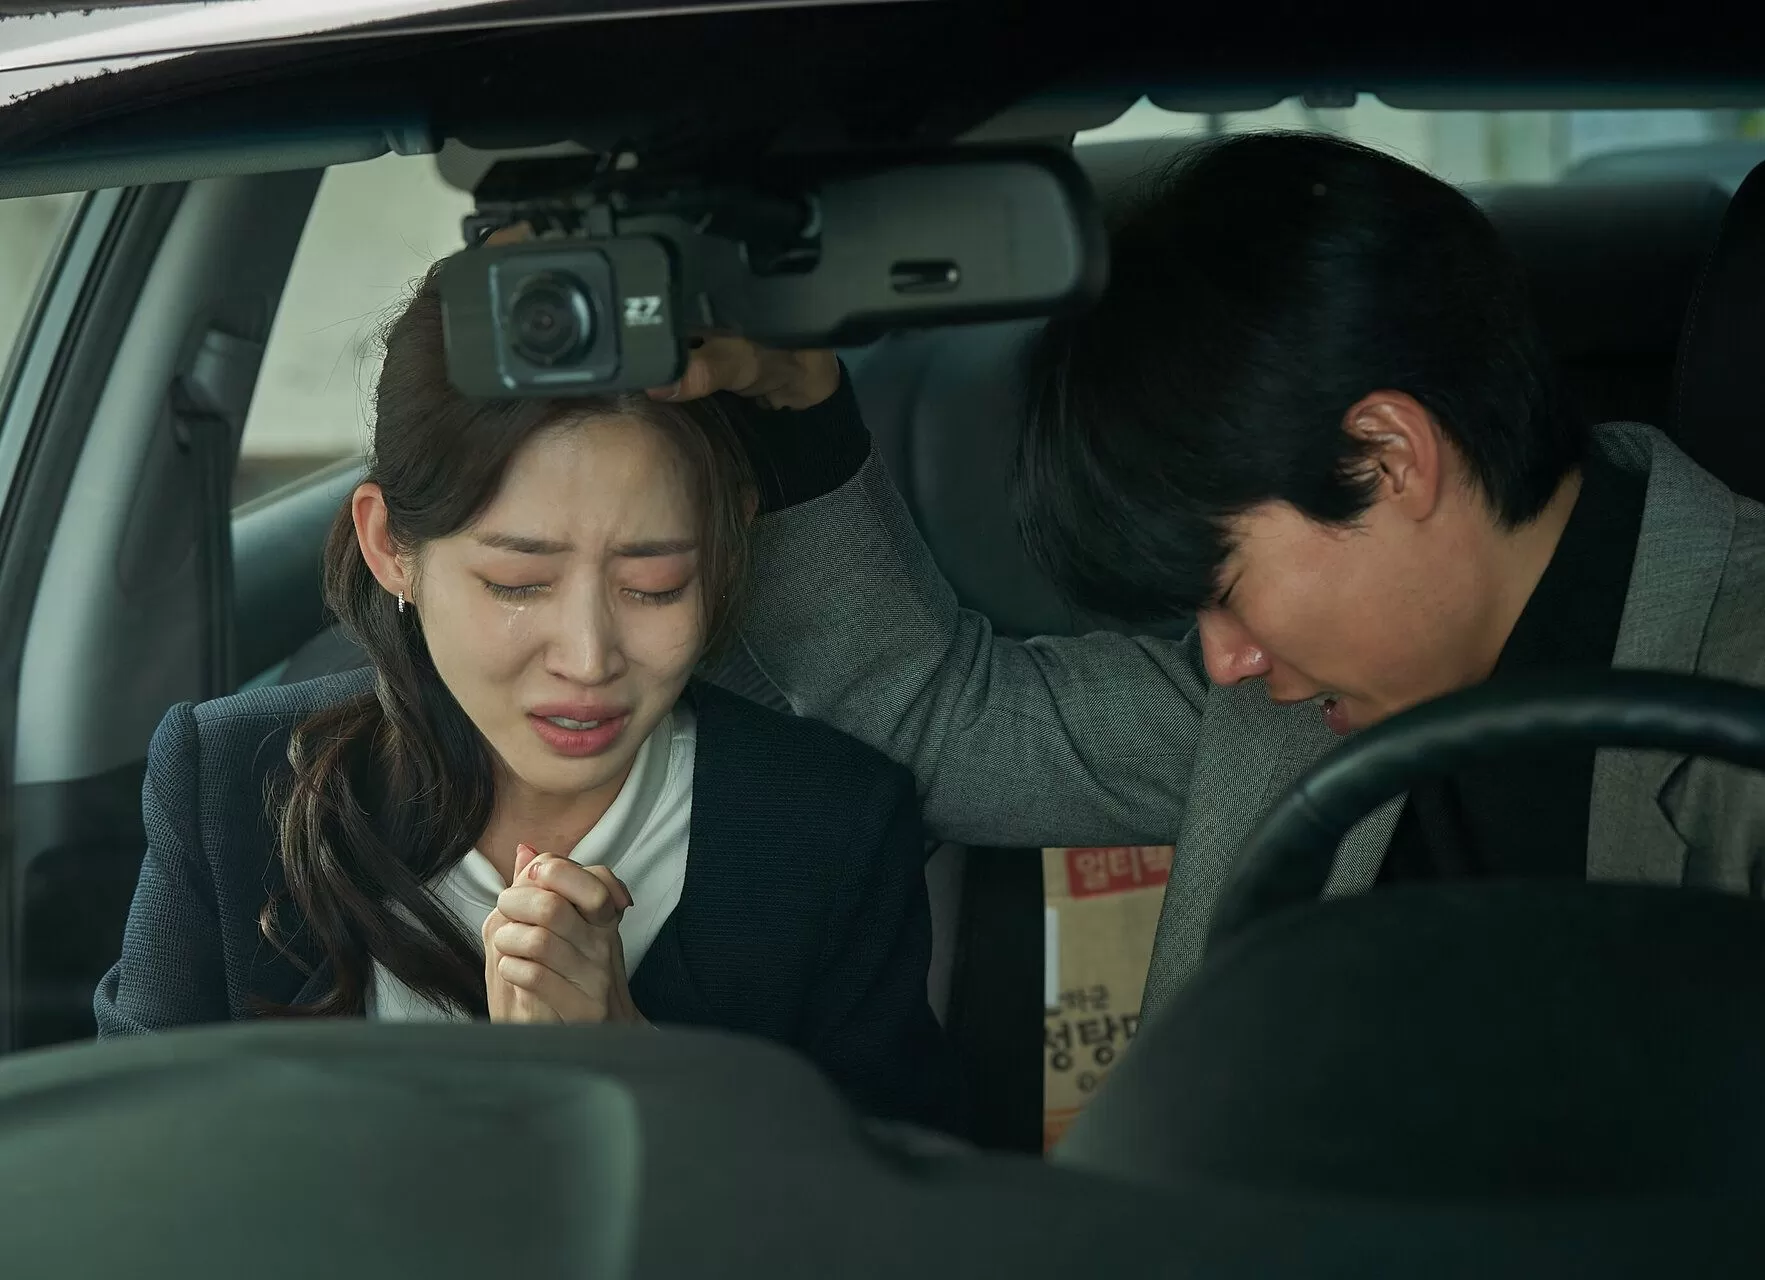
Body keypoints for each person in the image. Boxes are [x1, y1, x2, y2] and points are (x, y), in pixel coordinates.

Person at [664, 130, 1765, 1015]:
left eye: (1224, 585)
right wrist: (791, 400)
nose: (1226, 660)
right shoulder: (1282, 705)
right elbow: (937, 726)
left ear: (1386, 458)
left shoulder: (1737, 704)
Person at [94, 265, 964, 1136]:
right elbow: (129, 1167)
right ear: (390, 547)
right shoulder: (230, 782)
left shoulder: (830, 828)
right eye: (517, 584)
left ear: (727, 541)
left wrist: (637, 1060)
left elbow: (901, 1196)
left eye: (655, 585)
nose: (587, 658)